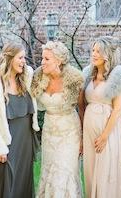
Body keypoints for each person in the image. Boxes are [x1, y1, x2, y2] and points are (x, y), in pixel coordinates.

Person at [79, 36, 121, 198]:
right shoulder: (87, 75)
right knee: (90, 171)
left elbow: (117, 110)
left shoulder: (117, 77)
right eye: (93, 50)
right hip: (89, 131)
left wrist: (104, 136)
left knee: (107, 174)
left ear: (107, 54)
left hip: (109, 132)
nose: (93, 54)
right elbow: (82, 106)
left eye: (98, 51)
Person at [0, 42, 38, 198]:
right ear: (10, 58)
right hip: (6, 140)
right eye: (20, 57)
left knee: (22, 177)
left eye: (24, 57)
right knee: (4, 178)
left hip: (25, 138)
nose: (23, 61)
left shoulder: (26, 78)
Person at [32, 40, 84, 198]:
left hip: (69, 132)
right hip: (49, 131)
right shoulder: (38, 77)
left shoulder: (75, 79)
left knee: (64, 171)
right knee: (49, 171)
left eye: (47, 59)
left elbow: (82, 109)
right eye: (42, 58)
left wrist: (82, 138)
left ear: (59, 60)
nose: (42, 62)